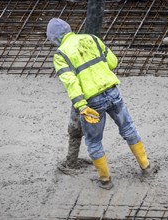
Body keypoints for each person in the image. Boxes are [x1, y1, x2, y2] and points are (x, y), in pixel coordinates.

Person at [46, 18, 155, 190]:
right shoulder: (92, 39)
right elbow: (113, 62)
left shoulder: (61, 55)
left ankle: (105, 180)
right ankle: (146, 167)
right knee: (128, 129)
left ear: (54, 38)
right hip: (112, 91)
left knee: (94, 141)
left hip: (92, 101)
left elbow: (70, 82)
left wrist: (81, 105)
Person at [57, 0, 106, 174]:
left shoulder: (63, 53)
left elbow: (71, 83)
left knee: (80, 127)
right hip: (101, 88)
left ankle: (74, 161)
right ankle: (78, 162)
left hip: (85, 93)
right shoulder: (87, 40)